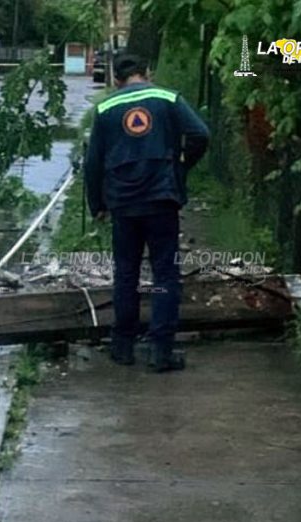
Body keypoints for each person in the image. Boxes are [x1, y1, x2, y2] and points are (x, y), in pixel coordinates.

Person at [84, 54, 210, 373]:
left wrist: (96, 204)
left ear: (116, 80)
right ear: (147, 73)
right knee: (165, 274)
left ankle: (123, 347)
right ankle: (160, 351)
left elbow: (93, 162)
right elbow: (200, 135)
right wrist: (180, 167)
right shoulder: (167, 98)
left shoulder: (105, 109)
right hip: (161, 200)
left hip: (123, 204)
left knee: (126, 273)